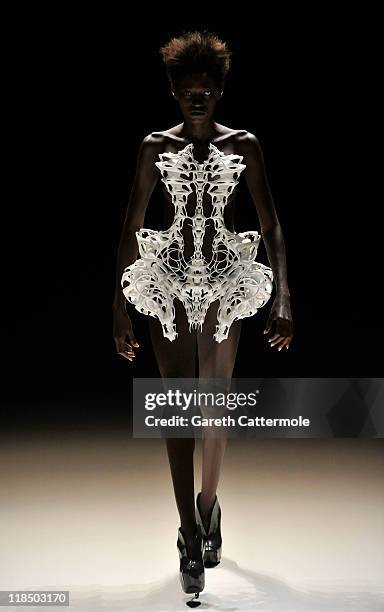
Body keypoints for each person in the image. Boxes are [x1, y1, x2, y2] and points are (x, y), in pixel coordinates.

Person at [112, 30, 293, 600]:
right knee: (176, 408)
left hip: (223, 282)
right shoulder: (152, 147)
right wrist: (118, 306)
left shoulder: (244, 145)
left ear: (219, 89)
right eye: (186, 89)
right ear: (172, 90)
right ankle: (188, 534)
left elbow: (271, 225)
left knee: (211, 406)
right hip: (166, 280)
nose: (196, 98)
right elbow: (131, 227)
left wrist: (284, 298)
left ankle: (208, 508)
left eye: (205, 89)